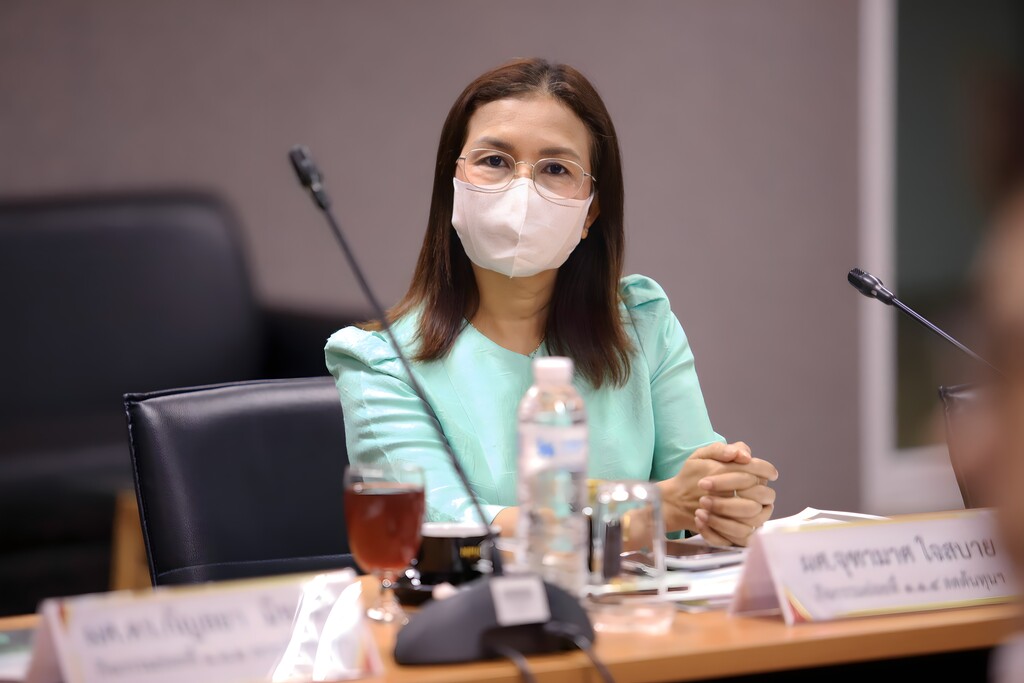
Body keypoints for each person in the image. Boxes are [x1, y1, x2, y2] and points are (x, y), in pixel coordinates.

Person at [326, 58, 778, 547]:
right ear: (452, 183)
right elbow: (438, 524)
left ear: (591, 210)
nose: (522, 189)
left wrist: (728, 499)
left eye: (556, 169)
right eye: (494, 160)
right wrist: (651, 511)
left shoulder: (642, 322)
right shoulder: (381, 362)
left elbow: (695, 488)